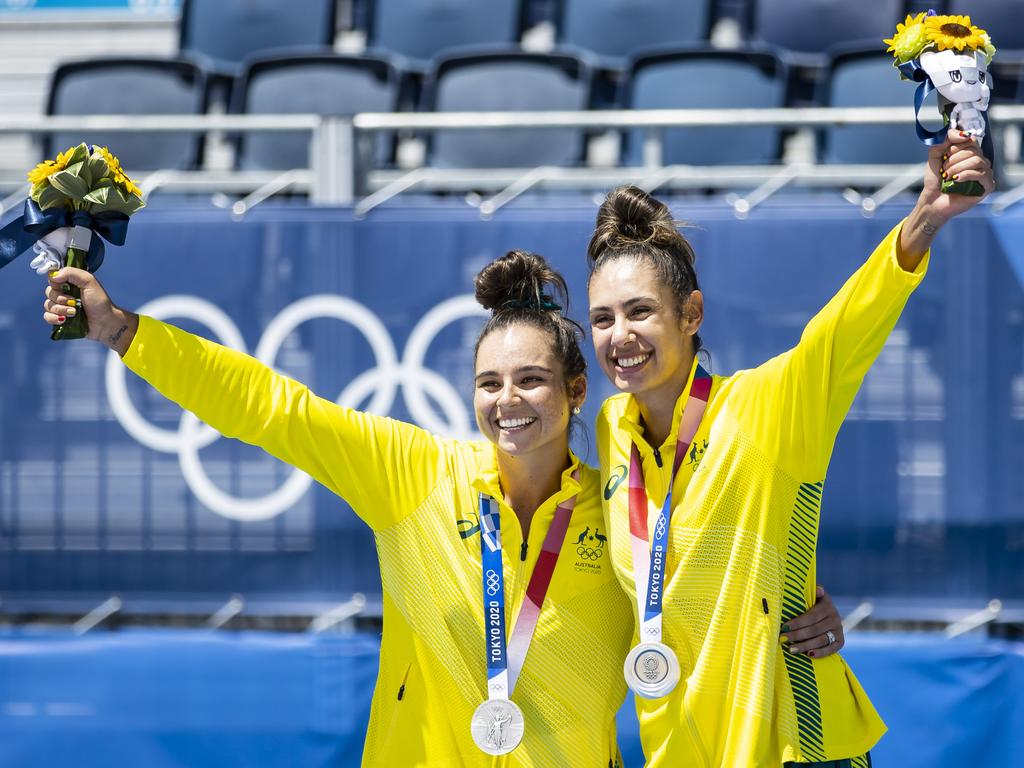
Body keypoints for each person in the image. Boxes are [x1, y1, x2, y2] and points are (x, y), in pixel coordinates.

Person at [42, 241, 847, 765]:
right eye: (489, 383)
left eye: (531, 380)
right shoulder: (413, 477)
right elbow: (271, 408)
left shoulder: (623, 515)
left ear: (574, 391)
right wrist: (124, 333)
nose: (508, 401)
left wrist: (804, 611)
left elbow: (704, 596)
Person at [584, 129, 993, 767]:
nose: (619, 335)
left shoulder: (768, 406)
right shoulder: (613, 429)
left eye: (640, 312)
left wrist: (924, 220)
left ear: (691, 314)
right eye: (603, 318)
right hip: (678, 746)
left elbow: (845, 330)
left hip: (789, 740)